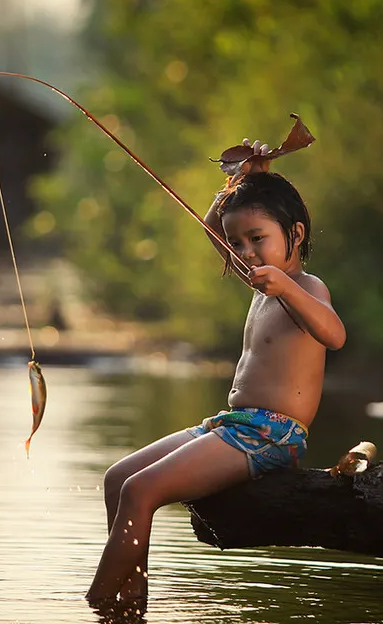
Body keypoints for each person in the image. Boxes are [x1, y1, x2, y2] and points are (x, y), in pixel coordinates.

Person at [85, 139, 346, 612]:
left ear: (296, 233)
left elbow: (334, 335)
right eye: (238, 243)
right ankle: (129, 602)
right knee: (118, 478)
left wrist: (286, 287)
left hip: (272, 434)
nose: (245, 253)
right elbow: (212, 225)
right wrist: (243, 180)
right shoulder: (261, 283)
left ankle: (97, 605)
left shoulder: (305, 287)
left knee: (141, 490)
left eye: (258, 239)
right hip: (232, 425)